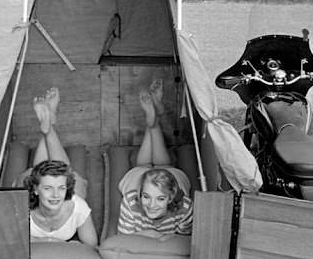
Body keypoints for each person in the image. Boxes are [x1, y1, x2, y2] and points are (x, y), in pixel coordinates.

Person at [18, 87, 98, 246]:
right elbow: (9, 242)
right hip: (28, 182)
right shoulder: (21, 208)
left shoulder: (78, 208)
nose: (56, 195)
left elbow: (92, 248)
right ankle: (49, 124)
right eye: (48, 189)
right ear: (35, 190)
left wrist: (40, 241)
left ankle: (48, 125)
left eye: (61, 188)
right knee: (44, 172)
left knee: (64, 177)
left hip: (64, 185)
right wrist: (54, 241)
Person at [117, 79, 193, 237]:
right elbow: (123, 240)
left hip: (173, 180)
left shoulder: (184, 208)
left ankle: (153, 122)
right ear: (139, 193)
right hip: (142, 179)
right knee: (161, 165)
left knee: (144, 165)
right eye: (146, 196)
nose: (151, 205)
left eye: (160, 198)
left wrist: (151, 234)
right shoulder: (131, 202)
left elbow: (184, 241)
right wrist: (157, 236)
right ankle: (154, 121)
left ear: (171, 197)